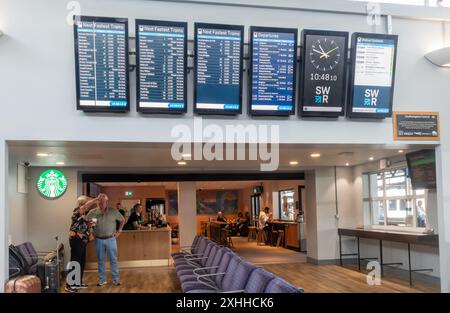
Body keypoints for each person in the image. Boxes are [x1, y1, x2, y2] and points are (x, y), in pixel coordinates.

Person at [86, 193, 125, 287]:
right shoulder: (92, 212)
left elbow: (123, 220)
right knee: (100, 260)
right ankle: (102, 280)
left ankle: (116, 280)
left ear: (106, 201)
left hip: (111, 239)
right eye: (99, 200)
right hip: (98, 240)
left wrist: (119, 231)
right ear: (97, 201)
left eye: (103, 201)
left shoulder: (113, 211)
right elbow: (87, 223)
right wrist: (90, 232)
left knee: (113, 260)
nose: (101, 203)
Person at [65, 195, 99, 293]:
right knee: (75, 262)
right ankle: (69, 285)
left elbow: (86, 225)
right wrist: (96, 200)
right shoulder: (76, 211)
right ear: (82, 204)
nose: (88, 206)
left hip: (83, 241)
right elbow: (84, 207)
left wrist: (91, 225)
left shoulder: (83, 215)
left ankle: (77, 282)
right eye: (87, 203)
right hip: (76, 240)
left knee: (81, 262)